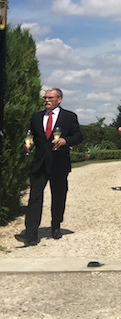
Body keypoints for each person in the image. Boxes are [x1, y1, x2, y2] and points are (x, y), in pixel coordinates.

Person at [15, 88, 83, 246]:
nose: (46, 100)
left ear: (59, 99)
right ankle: (31, 233)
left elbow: (78, 136)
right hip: (39, 163)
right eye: (45, 98)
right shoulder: (36, 116)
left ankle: (56, 226)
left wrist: (65, 141)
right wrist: (28, 146)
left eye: (50, 98)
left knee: (58, 195)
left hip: (59, 163)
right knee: (34, 197)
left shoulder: (69, 116)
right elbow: (31, 135)